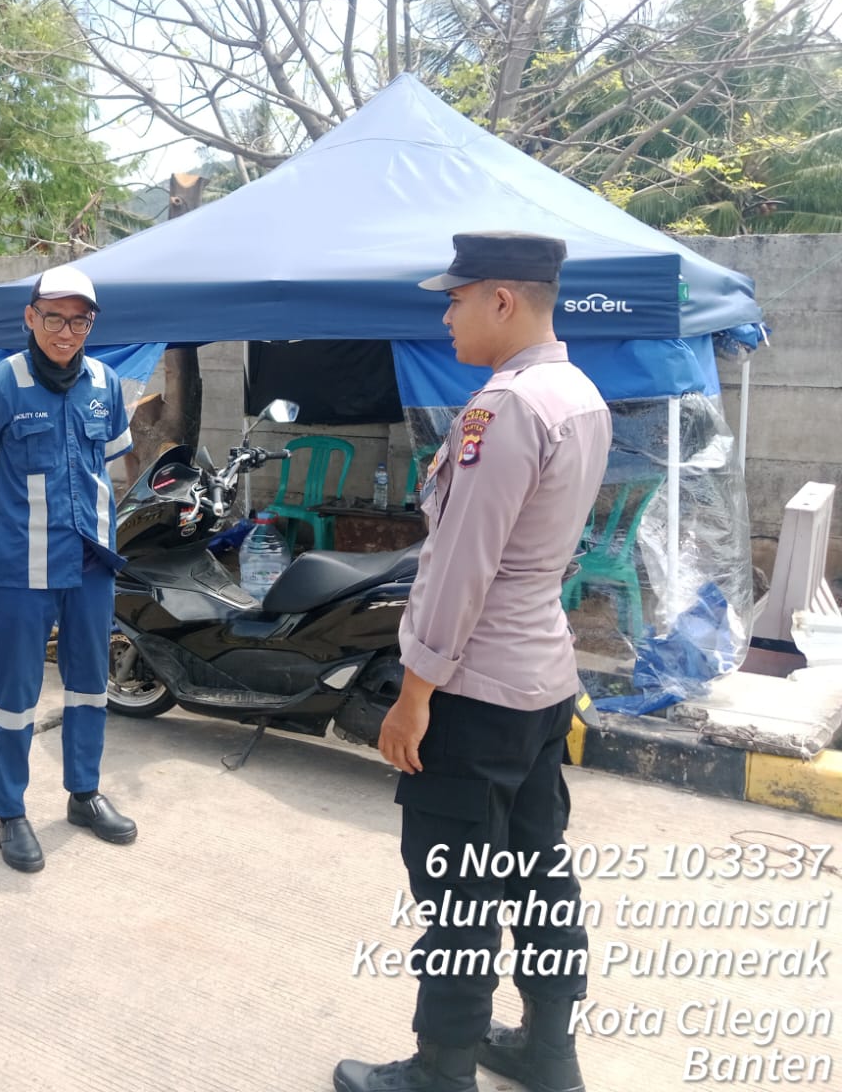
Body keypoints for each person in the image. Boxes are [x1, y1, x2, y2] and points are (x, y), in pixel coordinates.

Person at [333, 232, 612, 1092]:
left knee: (458, 890)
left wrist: (414, 693)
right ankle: (548, 1050)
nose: (446, 316)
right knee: (535, 870)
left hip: (476, 689)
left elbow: (461, 565)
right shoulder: (580, 393)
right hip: (542, 681)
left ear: (502, 299)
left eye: (456, 300)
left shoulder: (508, 407)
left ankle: (442, 1068)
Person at [0, 264, 137, 873]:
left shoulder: (106, 382)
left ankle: (84, 793)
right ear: (30, 317)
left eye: (80, 321)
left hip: (91, 562)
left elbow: (112, 464)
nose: (66, 331)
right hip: (22, 565)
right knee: (16, 692)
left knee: (89, 683)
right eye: (54, 317)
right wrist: (2, 531)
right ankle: (9, 812)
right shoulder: (1, 383)